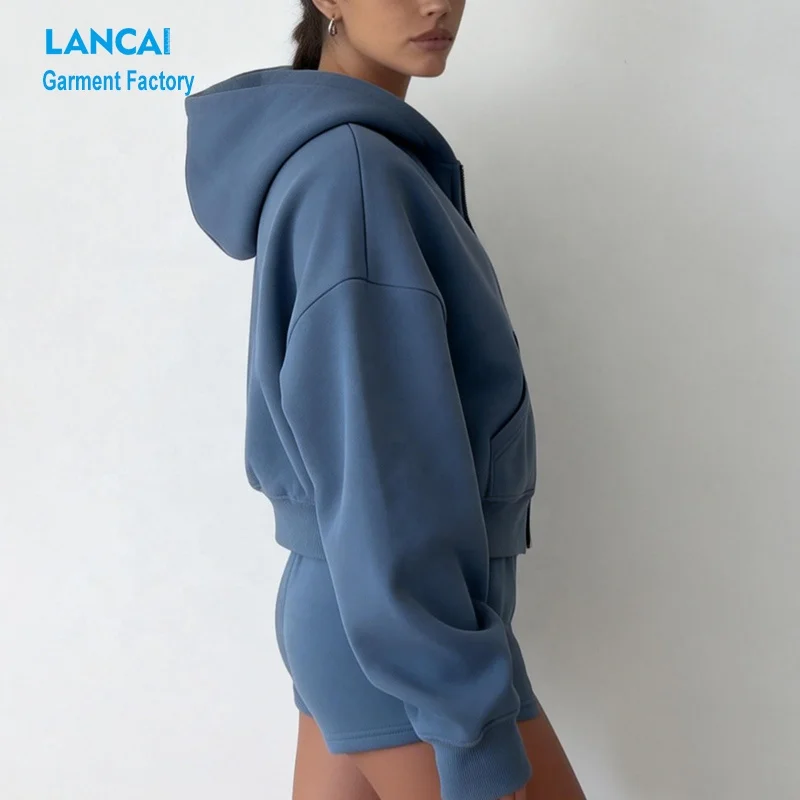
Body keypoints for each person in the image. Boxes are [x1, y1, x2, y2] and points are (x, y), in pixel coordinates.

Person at [183, 1, 586, 798]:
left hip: (368, 611)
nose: (436, 2)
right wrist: (465, 721)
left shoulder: (358, 159)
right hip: (401, 634)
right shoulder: (354, 173)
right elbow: (386, 477)